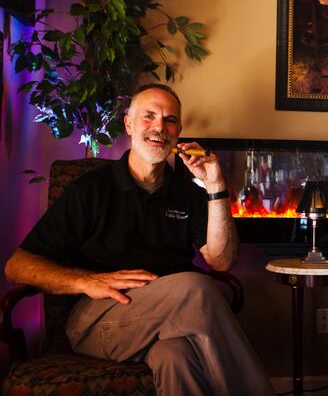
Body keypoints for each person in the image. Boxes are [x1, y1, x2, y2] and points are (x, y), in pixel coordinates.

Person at [4, 83, 274, 395]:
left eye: (170, 120)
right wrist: (86, 280)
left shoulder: (186, 192)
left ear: (179, 131)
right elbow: (17, 266)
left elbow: (223, 260)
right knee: (196, 286)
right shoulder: (90, 190)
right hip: (100, 320)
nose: (160, 127)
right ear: (129, 124)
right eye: (149, 116)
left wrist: (215, 186)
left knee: (177, 358)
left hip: (170, 319)